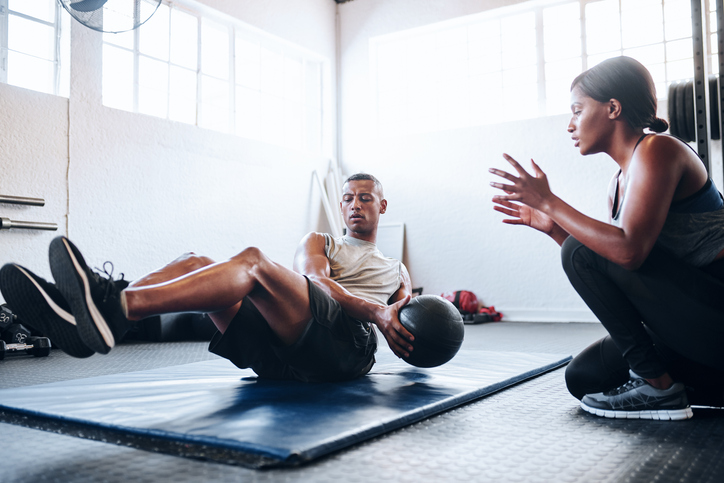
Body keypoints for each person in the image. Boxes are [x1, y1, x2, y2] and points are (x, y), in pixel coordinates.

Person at [0, 173, 414, 382]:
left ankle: (114, 309)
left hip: (343, 353)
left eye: (364, 198)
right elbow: (317, 283)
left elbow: (411, 324)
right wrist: (377, 310)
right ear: (340, 207)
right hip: (281, 355)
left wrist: (399, 328)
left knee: (253, 261)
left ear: (383, 205)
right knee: (194, 260)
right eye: (347, 198)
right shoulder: (320, 241)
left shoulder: (397, 270)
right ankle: (96, 309)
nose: (355, 205)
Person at [490, 56, 724, 420]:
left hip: (713, 309)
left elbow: (628, 252)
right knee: (586, 377)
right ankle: (674, 383)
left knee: (581, 250)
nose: (570, 125)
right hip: (689, 319)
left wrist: (550, 201)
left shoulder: (658, 150)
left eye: (577, 110)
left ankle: (659, 388)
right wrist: (553, 226)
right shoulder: (619, 182)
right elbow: (609, 264)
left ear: (613, 107)